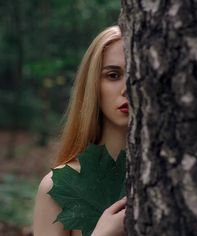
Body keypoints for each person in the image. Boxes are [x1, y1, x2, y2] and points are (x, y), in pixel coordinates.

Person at [33, 25, 128, 236]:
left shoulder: (179, 176)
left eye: (138, 73)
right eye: (113, 75)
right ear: (93, 83)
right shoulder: (59, 187)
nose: (127, 88)